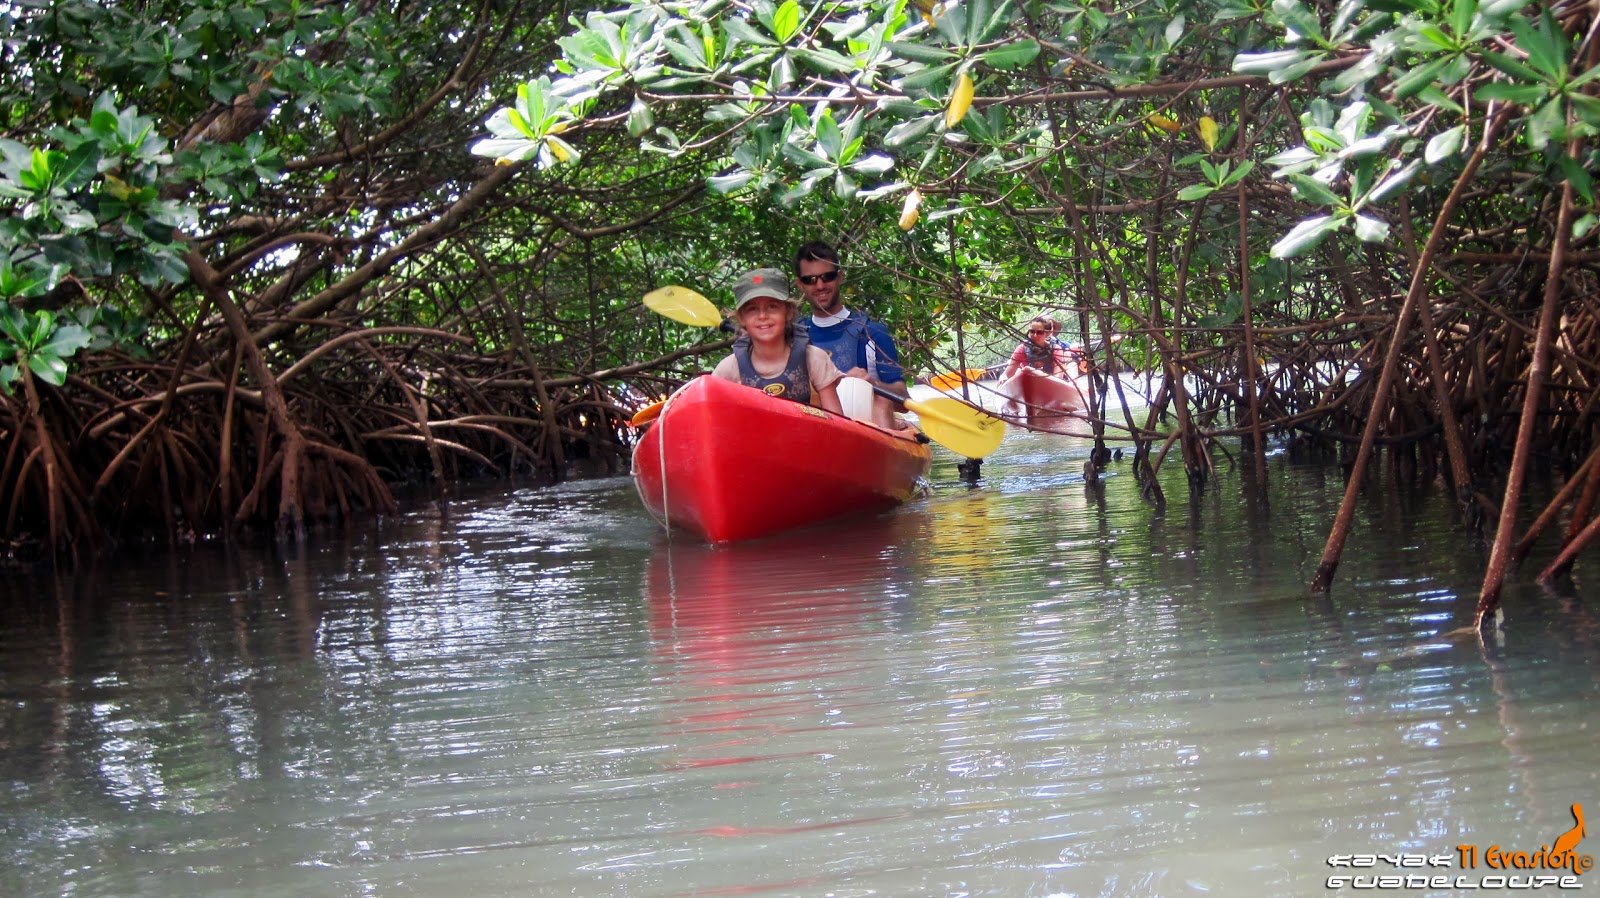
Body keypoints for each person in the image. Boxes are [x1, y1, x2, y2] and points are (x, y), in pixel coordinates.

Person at [793, 241, 907, 429]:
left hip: (868, 431)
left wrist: (872, 384)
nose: (820, 285)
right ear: (800, 284)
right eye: (810, 279)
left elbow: (903, 400)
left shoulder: (873, 333)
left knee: (883, 401)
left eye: (827, 277)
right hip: (812, 430)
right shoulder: (792, 337)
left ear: (840, 277)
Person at [711, 267, 845, 415]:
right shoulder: (728, 370)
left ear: (788, 312)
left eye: (772, 307)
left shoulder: (814, 359)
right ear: (741, 318)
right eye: (752, 309)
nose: (763, 316)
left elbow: (837, 421)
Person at [1001, 316, 1071, 382]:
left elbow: (1058, 377)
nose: (1035, 335)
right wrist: (1003, 378)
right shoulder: (1022, 348)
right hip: (1029, 382)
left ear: (1047, 333)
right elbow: (1007, 374)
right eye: (1032, 331)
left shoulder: (1056, 349)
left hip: (1051, 384)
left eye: (1039, 332)